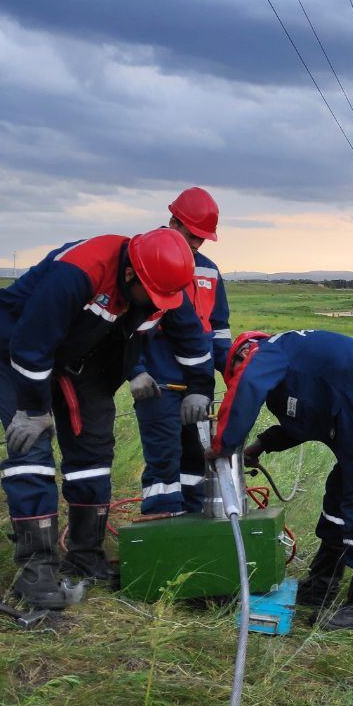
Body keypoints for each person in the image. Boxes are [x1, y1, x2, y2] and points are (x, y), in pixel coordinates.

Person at [0, 229, 214, 609]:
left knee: (93, 450)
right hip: (18, 347)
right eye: (152, 297)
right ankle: (36, 569)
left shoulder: (166, 281)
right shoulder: (79, 271)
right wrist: (36, 410)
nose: (159, 305)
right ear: (130, 275)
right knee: (31, 450)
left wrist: (201, 387)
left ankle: (86, 555)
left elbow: (192, 341)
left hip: (84, 356)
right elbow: (31, 344)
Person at [210, 329, 353, 630]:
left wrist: (222, 446)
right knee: (338, 497)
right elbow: (304, 419)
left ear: (243, 356)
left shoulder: (264, 353)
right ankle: (323, 583)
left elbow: (247, 390)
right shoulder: (292, 362)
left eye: (237, 375)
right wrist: (263, 444)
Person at [130, 187, 232, 515]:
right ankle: (162, 535)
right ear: (173, 222)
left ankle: (192, 527)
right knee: (163, 461)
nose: (196, 244)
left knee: (194, 460)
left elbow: (218, 330)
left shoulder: (209, 271)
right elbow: (124, 328)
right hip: (159, 385)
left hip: (198, 385)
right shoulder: (144, 261)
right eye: (192, 236)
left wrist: (233, 373)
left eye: (202, 239)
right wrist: (136, 371)